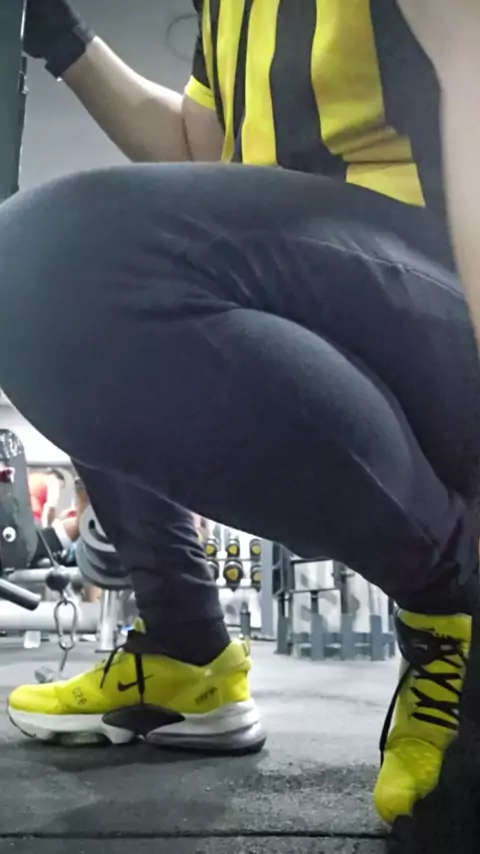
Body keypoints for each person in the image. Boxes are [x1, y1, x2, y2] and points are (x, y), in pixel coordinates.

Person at [0, 0, 478, 825]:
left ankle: (455, 587)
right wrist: (60, 36)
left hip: (433, 280)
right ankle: (186, 649)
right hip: (310, 271)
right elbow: (199, 146)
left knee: (43, 258)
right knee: (56, 293)